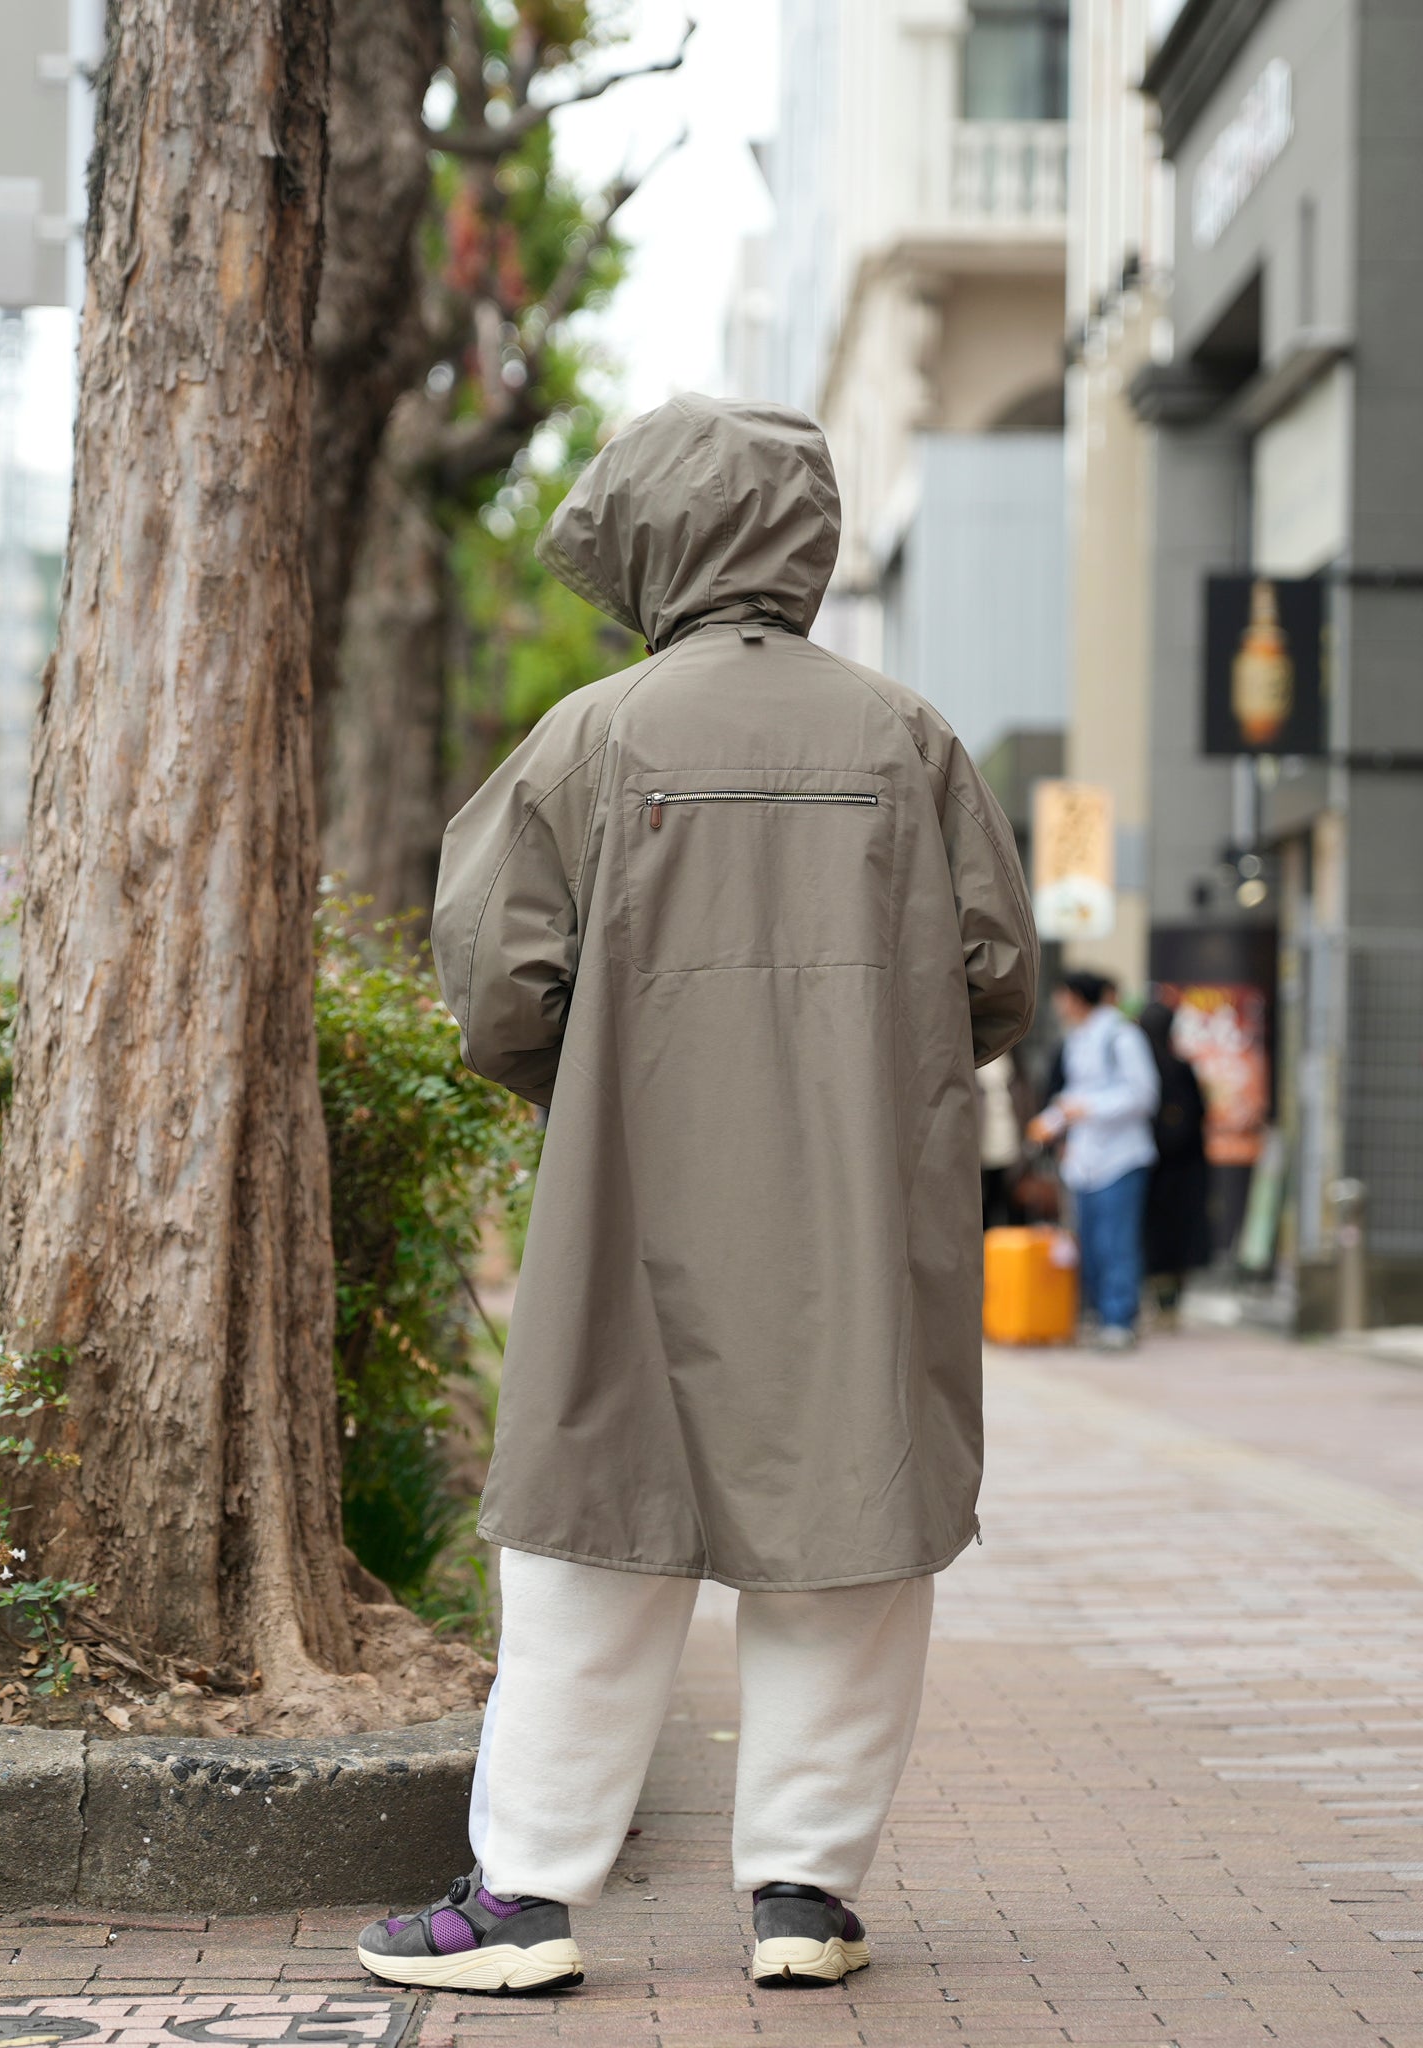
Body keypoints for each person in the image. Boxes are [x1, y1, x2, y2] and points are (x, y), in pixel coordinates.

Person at [356, 397, 1037, 1997]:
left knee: (593, 1534)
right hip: (862, 1209)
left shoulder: (595, 737)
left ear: (648, 538)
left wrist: (596, 1087)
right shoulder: (906, 736)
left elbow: (496, 984)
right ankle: (803, 1898)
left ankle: (524, 1904)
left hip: (634, 1193)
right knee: (851, 1530)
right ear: (803, 539)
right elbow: (995, 977)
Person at [1027, 972, 1158, 1349]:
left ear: (1076, 997)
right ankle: (1099, 1314)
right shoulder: (1078, 1039)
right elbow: (1074, 1094)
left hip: (1121, 1157)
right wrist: (1051, 1122)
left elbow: (1142, 1093)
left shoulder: (1122, 1036)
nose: (1058, 1005)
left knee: (1116, 1242)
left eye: (1062, 996)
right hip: (1085, 1159)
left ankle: (1119, 1319)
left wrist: (1085, 1109)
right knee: (1089, 1242)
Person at [1139, 998, 1212, 1318]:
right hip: (1185, 1170)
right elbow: (1199, 1114)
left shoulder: (1141, 1066)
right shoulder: (1181, 1067)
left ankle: (1159, 1301)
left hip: (1150, 1168)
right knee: (1179, 1237)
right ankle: (1171, 1304)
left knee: (1153, 1236)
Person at [978, 1049, 1023, 1228]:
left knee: (1014, 1208)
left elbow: (1024, 1093)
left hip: (1011, 1143)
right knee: (984, 1209)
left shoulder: (1012, 1055)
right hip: (981, 1146)